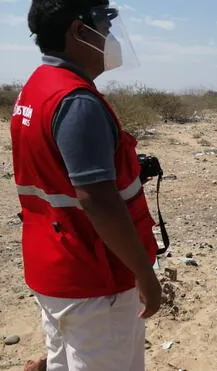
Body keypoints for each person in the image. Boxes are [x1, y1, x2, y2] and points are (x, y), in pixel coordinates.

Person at [11, 1, 162, 370]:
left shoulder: (36, 87)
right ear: (79, 31)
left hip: (56, 266)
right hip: (96, 277)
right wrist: (144, 273)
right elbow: (97, 200)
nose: (110, 35)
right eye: (104, 24)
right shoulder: (77, 100)